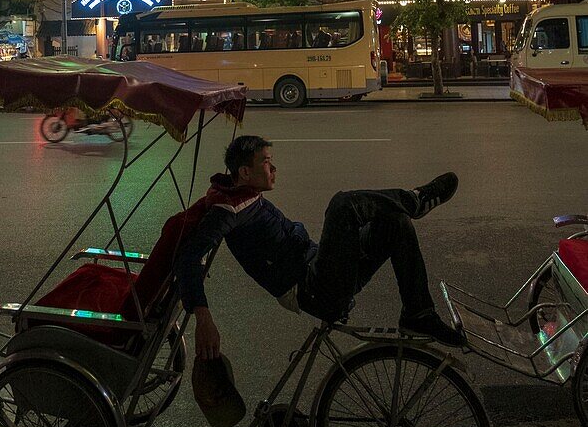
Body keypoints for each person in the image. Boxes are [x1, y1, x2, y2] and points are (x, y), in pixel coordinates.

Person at [175, 135, 463, 361]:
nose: (274, 168)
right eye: (265, 162)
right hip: (313, 290)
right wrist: (203, 318)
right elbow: (189, 257)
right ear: (244, 172)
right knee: (342, 205)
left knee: (396, 222)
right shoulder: (227, 210)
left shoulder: (245, 194)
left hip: (320, 270)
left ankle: (419, 313)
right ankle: (413, 200)